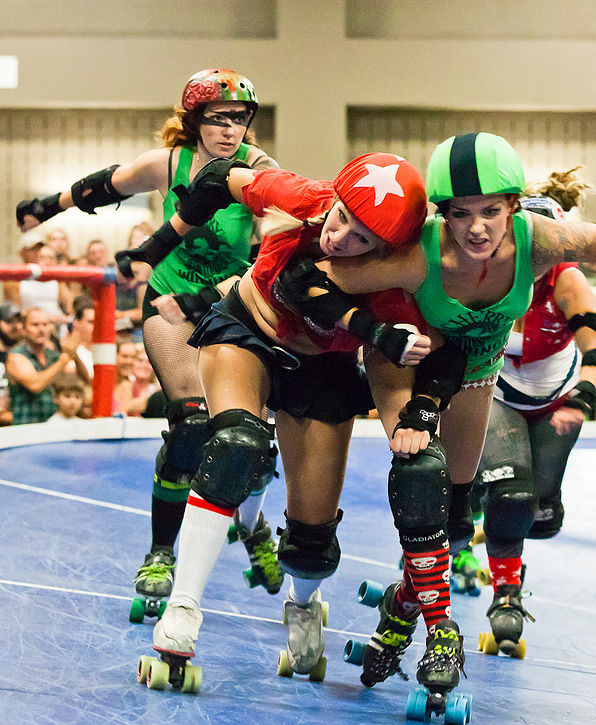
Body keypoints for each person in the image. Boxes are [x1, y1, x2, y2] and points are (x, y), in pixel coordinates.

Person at [323, 131, 596, 701]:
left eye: (491, 212)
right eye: (461, 215)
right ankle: (439, 632)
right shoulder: (419, 254)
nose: (477, 229)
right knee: (419, 476)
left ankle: (398, 610)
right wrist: (363, 330)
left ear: (514, 206)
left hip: (476, 371)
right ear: (443, 214)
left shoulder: (542, 243)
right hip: (406, 364)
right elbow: (307, 282)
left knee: (457, 521)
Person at [126, 152, 437, 690]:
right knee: (235, 444)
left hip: (324, 369)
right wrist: (158, 246)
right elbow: (219, 176)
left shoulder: (397, 292)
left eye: (361, 239)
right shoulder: (299, 195)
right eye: (340, 217)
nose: (339, 238)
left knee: (312, 544)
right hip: (248, 331)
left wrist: (409, 416)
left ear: (385, 251)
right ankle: (183, 609)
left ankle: (304, 605)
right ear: (332, 198)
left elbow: (401, 371)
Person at [15, 68, 282, 607]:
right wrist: (46, 206)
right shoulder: (170, 164)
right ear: (193, 121)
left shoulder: (259, 171)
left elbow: (273, 248)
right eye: (217, 119)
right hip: (167, 301)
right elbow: (106, 184)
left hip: (233, 304)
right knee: (190, 425)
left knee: (255, 443)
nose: (230, 130)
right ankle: (161, 551)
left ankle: (252, 529)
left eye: (239, 119)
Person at [460, 176, 596, 659]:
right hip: (498, 391)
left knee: (540, 516)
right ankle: (505, 594)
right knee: (511, 495)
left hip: (559, 396)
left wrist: (583, 400)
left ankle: (483, 505)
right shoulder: (481, 275)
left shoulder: (566, 278)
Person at [5, 307, 88, 424]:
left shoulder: (53, 356)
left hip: (52, 428)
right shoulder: (16, 356)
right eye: (35, 325)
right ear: (23, 329)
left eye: (45, 324)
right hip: (26, 428)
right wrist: (64, 359)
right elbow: (35, 384)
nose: (41, 329)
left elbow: (82, 381)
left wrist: (74, 355)